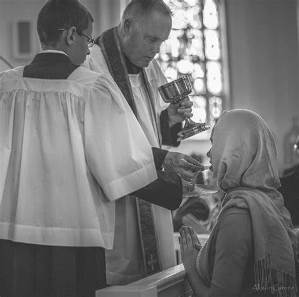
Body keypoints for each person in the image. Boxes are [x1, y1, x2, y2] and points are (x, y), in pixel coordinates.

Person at [0, 0, 202, 296]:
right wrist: (174, 189)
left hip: (12, 231)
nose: (156, 49)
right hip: (77, 233)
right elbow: (118, 160)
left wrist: (168, 127)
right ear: (71, 35)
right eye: (86, 38)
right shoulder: (90, 83)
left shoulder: (6, 86)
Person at [85, 0, 197, 284]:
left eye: (161, 42)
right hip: (118, 199)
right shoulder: (93, 65)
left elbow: (151, 129)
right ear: (126, 25)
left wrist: (171, 119)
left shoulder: (149, 66)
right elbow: (103, 141)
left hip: (152, 193)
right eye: (151, 39)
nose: (156, 50)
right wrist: (163, 158)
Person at [180, 109, 298, 297]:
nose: (210, 153)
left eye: (214, 143)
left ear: (234, 149)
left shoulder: (238, 213)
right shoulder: (271, 201)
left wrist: (191, 264)